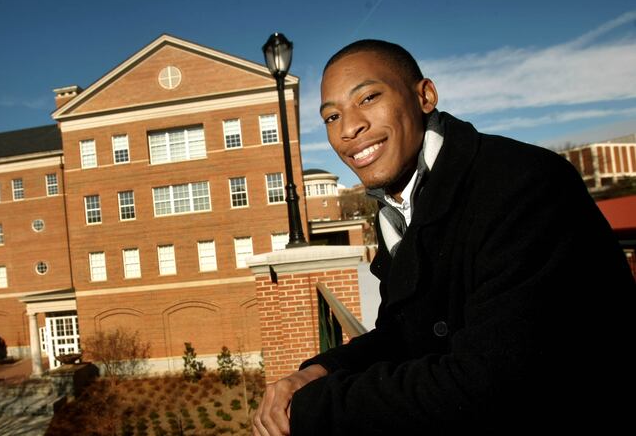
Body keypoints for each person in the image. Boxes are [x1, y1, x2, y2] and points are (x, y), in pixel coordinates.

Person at [253, 39, 634, 436]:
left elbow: (493, 385)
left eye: (367, 98)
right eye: (331, 117)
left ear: (425, 96)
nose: (349, 128)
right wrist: (319, 370)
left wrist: (313, 407)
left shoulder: (522, 183)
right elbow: (402, 335)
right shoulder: (400, 209)